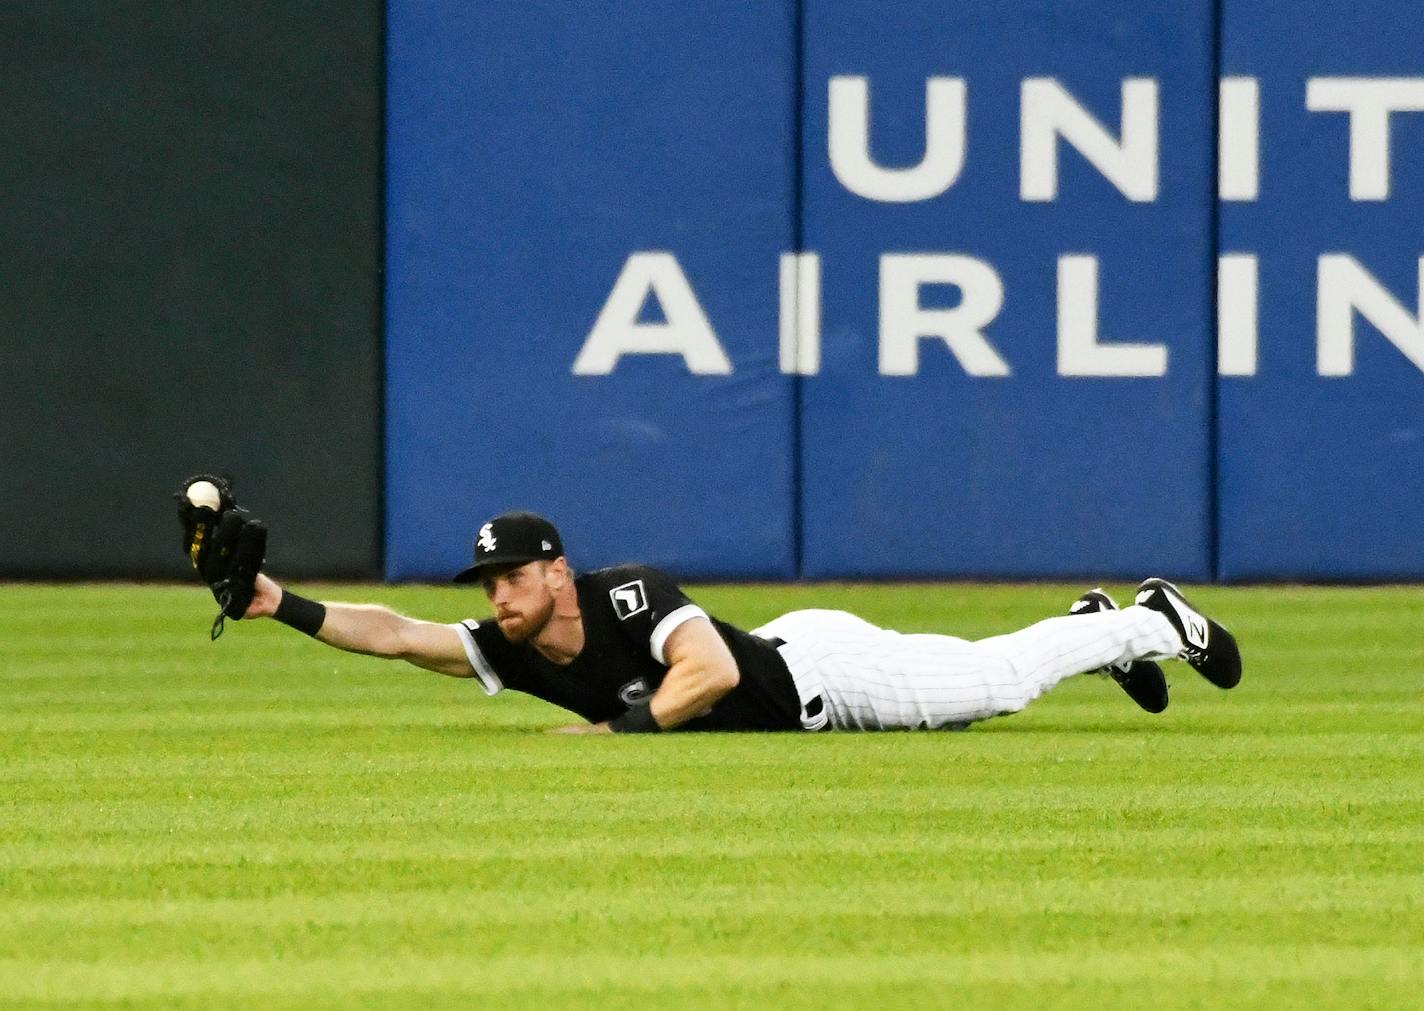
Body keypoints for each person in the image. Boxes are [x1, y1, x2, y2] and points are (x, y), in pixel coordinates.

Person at [222, 510, 1242, 734]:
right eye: (486, 583)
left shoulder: (625, 593)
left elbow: (704, 671)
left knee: (989, 686)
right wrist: (280, 605)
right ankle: (1092, 624)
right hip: (793, 647)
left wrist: (617, 732)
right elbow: (396, 633)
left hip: (820, 679)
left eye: (510, 577)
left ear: (557, 571)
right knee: (987, 681)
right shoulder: (516, 651)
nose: (494, 596)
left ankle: (1145, 621)